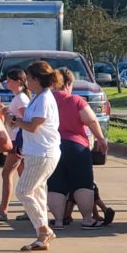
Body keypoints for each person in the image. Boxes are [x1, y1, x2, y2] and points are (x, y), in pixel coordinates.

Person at [47, 67, 109, 230]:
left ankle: (59, 221)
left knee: (56, 185)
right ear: (68, 84)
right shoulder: (76, 100)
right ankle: (88, 219)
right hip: (77, 147)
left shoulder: (47, 100)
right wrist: (101, 139)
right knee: (83, 184)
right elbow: (92, 120)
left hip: (53, 147)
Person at [9, 60, 61, 251]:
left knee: (23, 191)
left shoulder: (45, 99)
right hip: (36, 152)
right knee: (38, 193)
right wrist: (15, 121)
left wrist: (15, 120)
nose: (26, 81)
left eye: (29, 78)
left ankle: (43, 229)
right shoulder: (38, 98)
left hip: (42, 153)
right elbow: (29, 124)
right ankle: (42, 236)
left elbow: (33, 126)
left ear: (37, 79)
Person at [0, 68, 29, 220]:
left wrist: (7, 114)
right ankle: (30, 210)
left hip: (17, 141)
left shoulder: (21, 99)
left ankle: (3, 210)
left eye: (9, 80)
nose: (6, 83)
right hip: (18, 140)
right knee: (23, 176)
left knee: (6, 173)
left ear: (18, 82)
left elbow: (26, 120)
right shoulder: (19, 98)